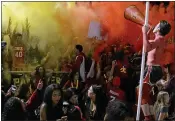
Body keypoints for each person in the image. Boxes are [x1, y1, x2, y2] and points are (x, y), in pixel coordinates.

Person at [137, 20, 171, 120]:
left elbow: (147, 48)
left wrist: (143, 32)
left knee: (140, 90)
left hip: (152, 68)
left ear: (159, 28)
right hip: (156, 68)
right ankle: (150, 116)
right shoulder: (160, 39)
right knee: (146, 93)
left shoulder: (159, 39)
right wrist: (147, 34)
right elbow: (148, 44)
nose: (155, 25)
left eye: (157, 24)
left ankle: (148, 117)